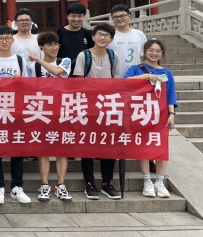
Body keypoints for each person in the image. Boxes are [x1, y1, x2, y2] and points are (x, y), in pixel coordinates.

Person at [72, 23, 123, 200]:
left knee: (109, 144)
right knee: (88, 144)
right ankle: (89, 182)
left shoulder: (113, 55)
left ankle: (107, 182)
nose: (102, 38)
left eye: (106, 35)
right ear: (93, 37)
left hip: (108, 106)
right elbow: (78, 81)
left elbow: (114, 80)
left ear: (111, 39)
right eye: (99, 34)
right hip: (88, 105)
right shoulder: (84, 55)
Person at [0, 25, 32, 204]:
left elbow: (29, 87)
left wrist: (20, 82)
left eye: (7, 38)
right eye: (1, 38)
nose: (4, 41)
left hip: (15, 110)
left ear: (13, 40)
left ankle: (17, 186)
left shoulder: (20, 61)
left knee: (17, 149)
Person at [124, 38, 176, 198]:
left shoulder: (166, 73)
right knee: (143, 147)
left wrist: (172, 114)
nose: (154, 53)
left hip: (161, 115)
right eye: (151, 50)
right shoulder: (136, 68)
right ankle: (147, 181)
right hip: (141, 114)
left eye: (158, 51)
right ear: (145, 52)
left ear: (162, 53)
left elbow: (170, 95)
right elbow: (124, 82)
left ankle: (159, 182)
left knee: (161, 147)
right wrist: (145, 76)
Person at [27, 32, 73, 202]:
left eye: (56, 44)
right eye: (49, 45)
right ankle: (45, 185)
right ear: (41, 47)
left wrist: (38, 60)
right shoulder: (33, 67)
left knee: (62, 149)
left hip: (62, 109)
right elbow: (30, 88)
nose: (54, 48)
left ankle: (61, 185)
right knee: (43, 148)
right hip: (42, 110)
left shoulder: (65, 61)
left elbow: (56, 71)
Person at [110, 4, 147, 78]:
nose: (119, 19)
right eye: (116, 17)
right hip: (116, 78)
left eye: (122, 16)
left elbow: (143, 57)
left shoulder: (139, 34)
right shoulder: (109, 35)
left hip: (136, 77)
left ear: (129, 16)